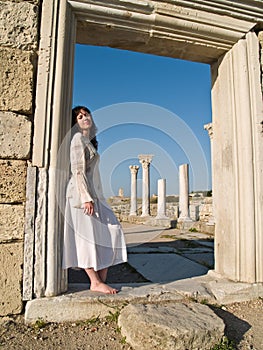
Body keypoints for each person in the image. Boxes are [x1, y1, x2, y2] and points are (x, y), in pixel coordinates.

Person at [62, 106, 127, 294]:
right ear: (75, 123)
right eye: (80, 117)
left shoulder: (88, 140)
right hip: (82, 197)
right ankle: (95, 281)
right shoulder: (76, 140)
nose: (85, 118)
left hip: (93, 195)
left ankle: (100, 279)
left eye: (86, 114)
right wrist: (86, 199)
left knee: (111, 233)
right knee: (86, 239)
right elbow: (78, 170)